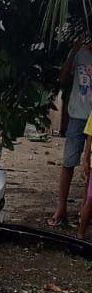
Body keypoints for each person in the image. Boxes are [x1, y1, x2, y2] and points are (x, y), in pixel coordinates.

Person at [48, 38, 92, 227]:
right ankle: (61, 208)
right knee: (69, 163)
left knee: (90, 167)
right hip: (77, 116)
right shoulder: (79, 53)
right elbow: (63, 79)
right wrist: (73, 52)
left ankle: (85, 211)